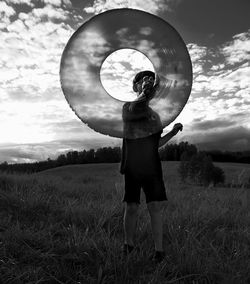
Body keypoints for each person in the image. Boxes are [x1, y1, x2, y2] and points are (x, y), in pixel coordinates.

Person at [120, 70, 183, 263]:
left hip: (152, 166)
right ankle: (128, 246)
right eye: (142, 79)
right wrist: (145, 94)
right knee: (132, 206)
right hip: (132, 164)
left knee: (155, 206)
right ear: (136, 86)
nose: (147, 80)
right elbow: (135, 110)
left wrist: (172, 133)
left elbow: (156, 143)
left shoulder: (155, 117)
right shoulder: (129, 107)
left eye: (150, 79)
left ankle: (159, 252)